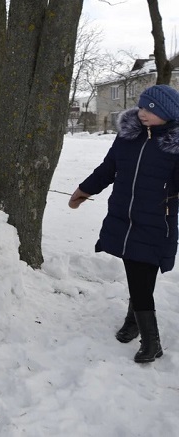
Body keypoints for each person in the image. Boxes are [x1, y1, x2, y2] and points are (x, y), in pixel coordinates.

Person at [69, 84, 179, 364]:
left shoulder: (175, 145)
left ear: (166, 113)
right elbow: (109, 167)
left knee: (143, 275)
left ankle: (151, 342)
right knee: (137, 273)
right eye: (141, 107)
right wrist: (85, 190)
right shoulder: (128, 136)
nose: (142, 114)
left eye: (149, 111)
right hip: (124, 216)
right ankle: (135, 325)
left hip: (157, 220)